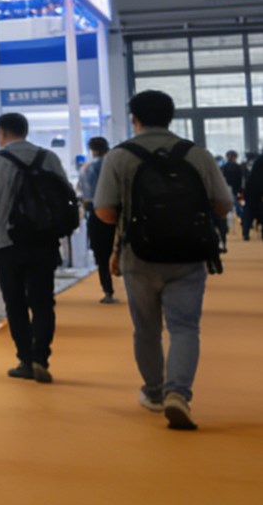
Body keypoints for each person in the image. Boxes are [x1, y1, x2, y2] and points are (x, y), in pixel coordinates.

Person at [94, 91, 233, 432]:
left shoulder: (119, 156)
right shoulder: (196, 154)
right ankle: (178, 393)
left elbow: (105, 212)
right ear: (170, 117)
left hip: (138, 257)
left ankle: (154, 392)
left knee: (147, 329)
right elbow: (223, 204)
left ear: (135, 119)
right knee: (184, 327)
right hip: (189, 255)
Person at [0, 112, 71, 384]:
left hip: (7, 243)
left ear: (2, 133)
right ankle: (41, 357)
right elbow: (64, 195)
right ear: (25, 131)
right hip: (43, 242)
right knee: (43, 302)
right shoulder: (48, 158)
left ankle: (26, 360)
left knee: (15, 303)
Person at [79, 137, 117, 304]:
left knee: (101, 255)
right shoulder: (115, 164)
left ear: (92, 150)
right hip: (118, 213)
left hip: (97, 214)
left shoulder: (88, 168)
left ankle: (108, 290)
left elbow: (85, 194)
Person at [219, 151, 244, 251]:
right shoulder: (238, 167)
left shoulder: (223, 167)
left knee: (226, 209)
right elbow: (240, 180)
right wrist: (240, 191)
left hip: (225, 190)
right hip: (235, 190)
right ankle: (242, 220)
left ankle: (226, 226)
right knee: (238, 207)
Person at [245, 152, 263, 243]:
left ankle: (245, 233)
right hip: (259, 189)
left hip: (252, 189)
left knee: (249, 211)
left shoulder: (258, 160)